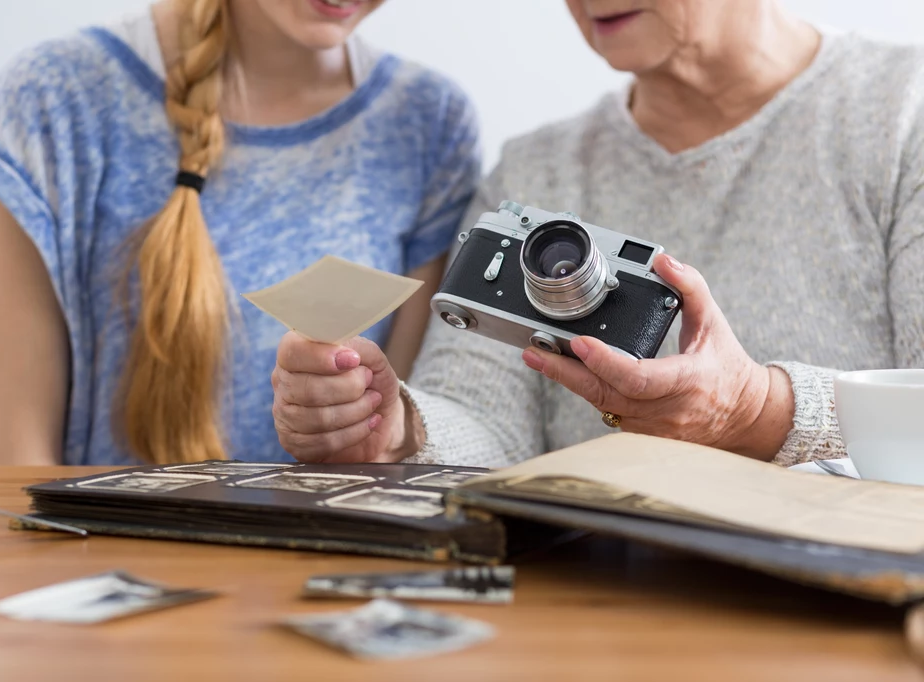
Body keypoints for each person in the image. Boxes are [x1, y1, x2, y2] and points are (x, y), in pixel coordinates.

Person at [271, 0, 924, 468]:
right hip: (589, 612)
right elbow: (488, 425)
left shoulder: (903, 114)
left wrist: (756, 411)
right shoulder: (535, 172)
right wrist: (396, 432)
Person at [0, 0, 481, 465]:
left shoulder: (429, 122)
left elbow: (401, 445)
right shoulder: (52, 98)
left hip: (334, 567)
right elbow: (13, 467)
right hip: (107, 570)